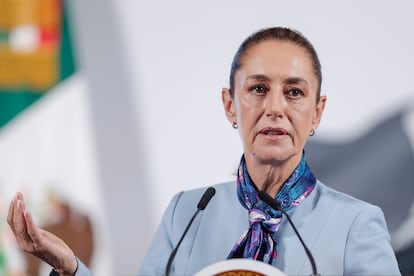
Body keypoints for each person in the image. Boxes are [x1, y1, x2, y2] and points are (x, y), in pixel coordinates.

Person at [7, 27, 401, 275]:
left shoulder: (356, 224)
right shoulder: (189, 213)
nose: (275, 107)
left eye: (294, 92)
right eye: (258, 89)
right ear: (231, 105)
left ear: (317, 112)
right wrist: (71, 266)